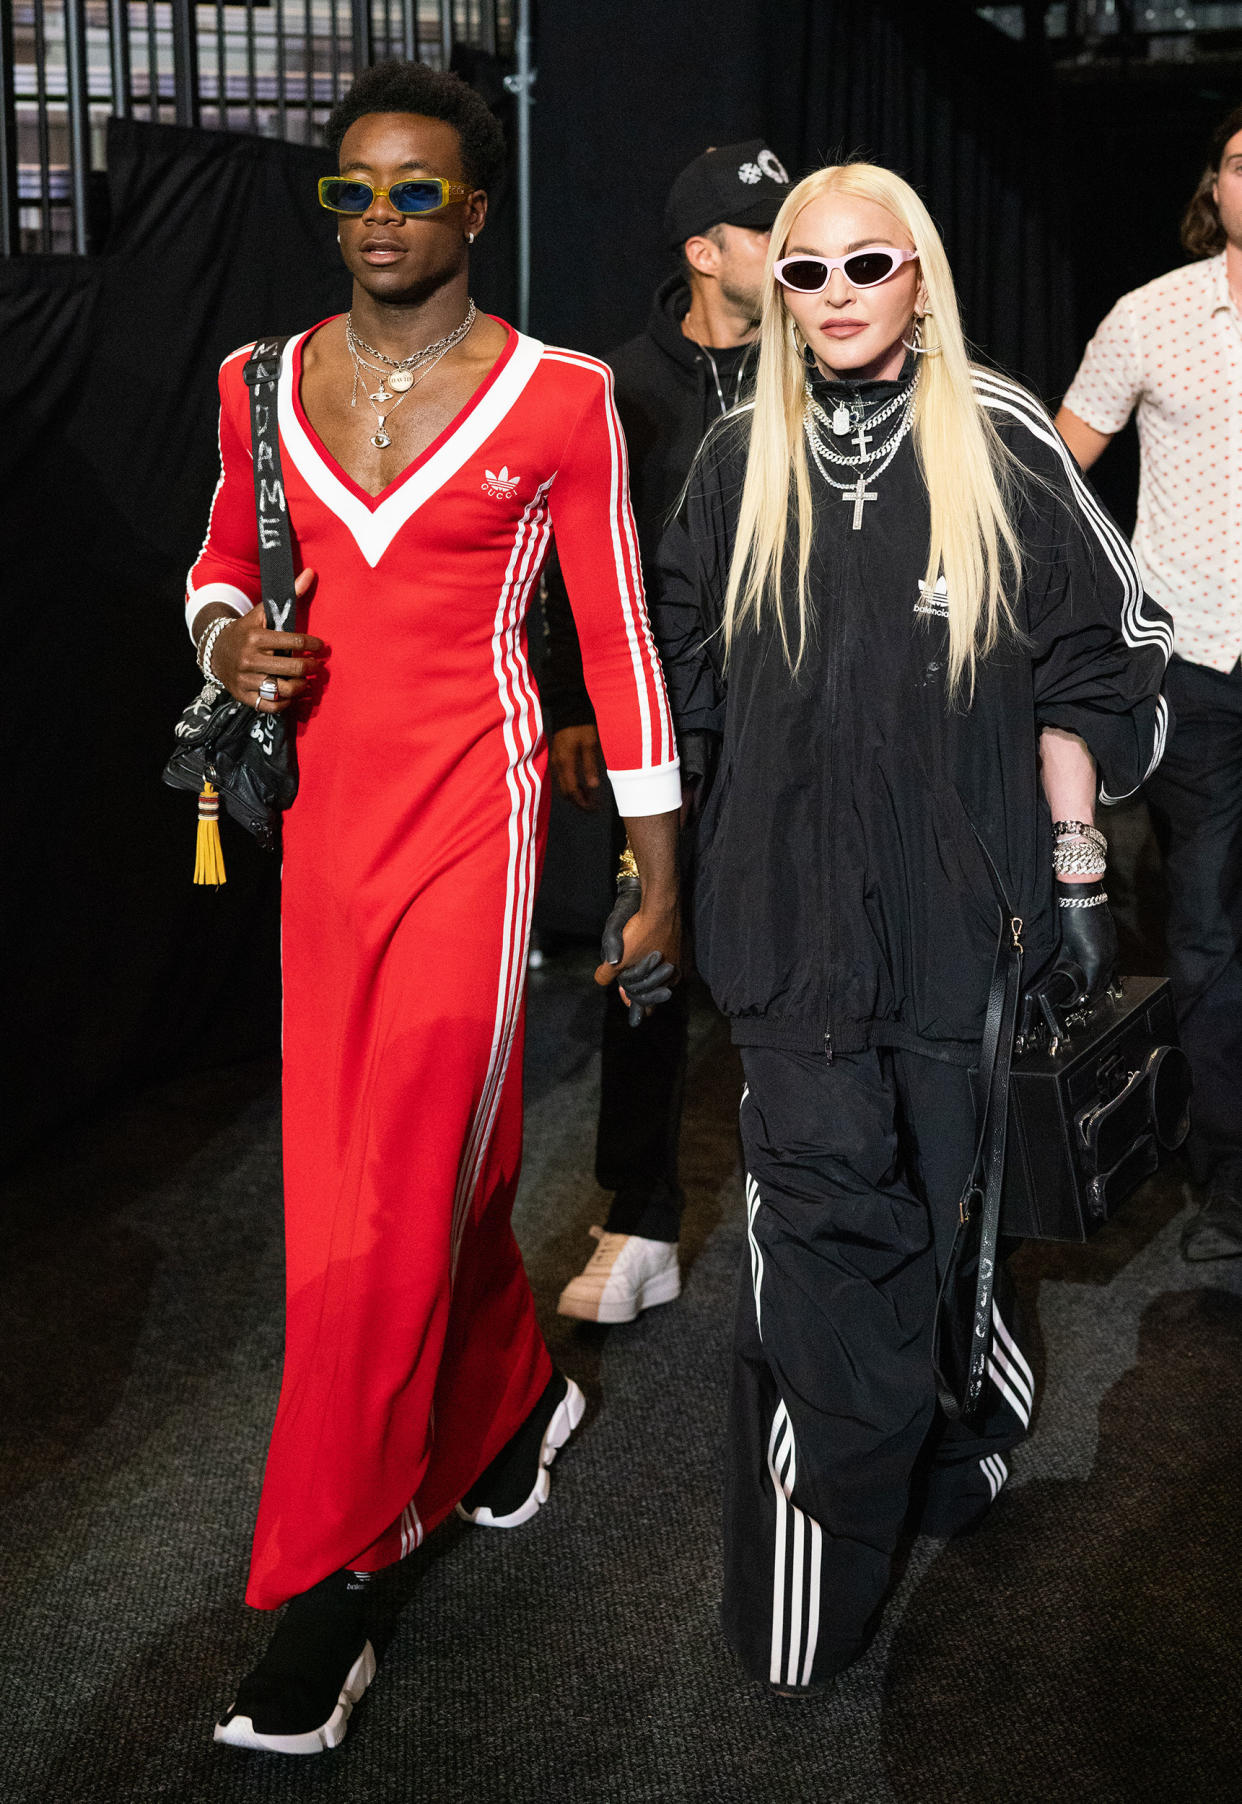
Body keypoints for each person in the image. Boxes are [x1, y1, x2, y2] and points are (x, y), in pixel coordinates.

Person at [185, 60, 680, 1755]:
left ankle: (332, 1587)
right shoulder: (258, 383)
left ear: (475, 208)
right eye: (352, 189)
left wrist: (654, 865)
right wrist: (227, 642)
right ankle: (515, 1397)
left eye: (415, 189)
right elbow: (218, 570)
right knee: (357, 1196)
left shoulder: (559, 395)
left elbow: (614, 639)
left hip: (479, 836)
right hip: (320, 848)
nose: (379, 217)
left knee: (391, 1203)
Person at [654, 161, 1171, 1693]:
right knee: (822, 1249)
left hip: (973, 928)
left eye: (863, 267)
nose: (829, 298)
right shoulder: (734, 457)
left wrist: (1076, 867)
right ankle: (814, 1581)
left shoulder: (1001, 437)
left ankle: (963, 1438)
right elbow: (673, 661)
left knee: (949, 1219)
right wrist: (668, 859)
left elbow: (1105, 652)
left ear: (919, 278)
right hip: (785, 943)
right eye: (801, 272)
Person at [546, 140, 790, 1324]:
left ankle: (821, 1204)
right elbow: (565, 557)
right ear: (704, 253)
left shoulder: (827, 359)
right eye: (763, 227)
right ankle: (639, 1215)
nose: (790, 244)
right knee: (643, 955)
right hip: (665, 723)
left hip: (804, 724)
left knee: (814, 959)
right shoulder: (620, 388)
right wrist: (576, 702)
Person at [1055, 105, 1242, 1263]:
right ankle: (1229, 1182)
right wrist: (1116, 613)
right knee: (1208, 925)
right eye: (1241, 158)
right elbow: (1059, 468)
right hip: (1199, 662)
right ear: (1214, 187)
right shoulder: (1154, 315)